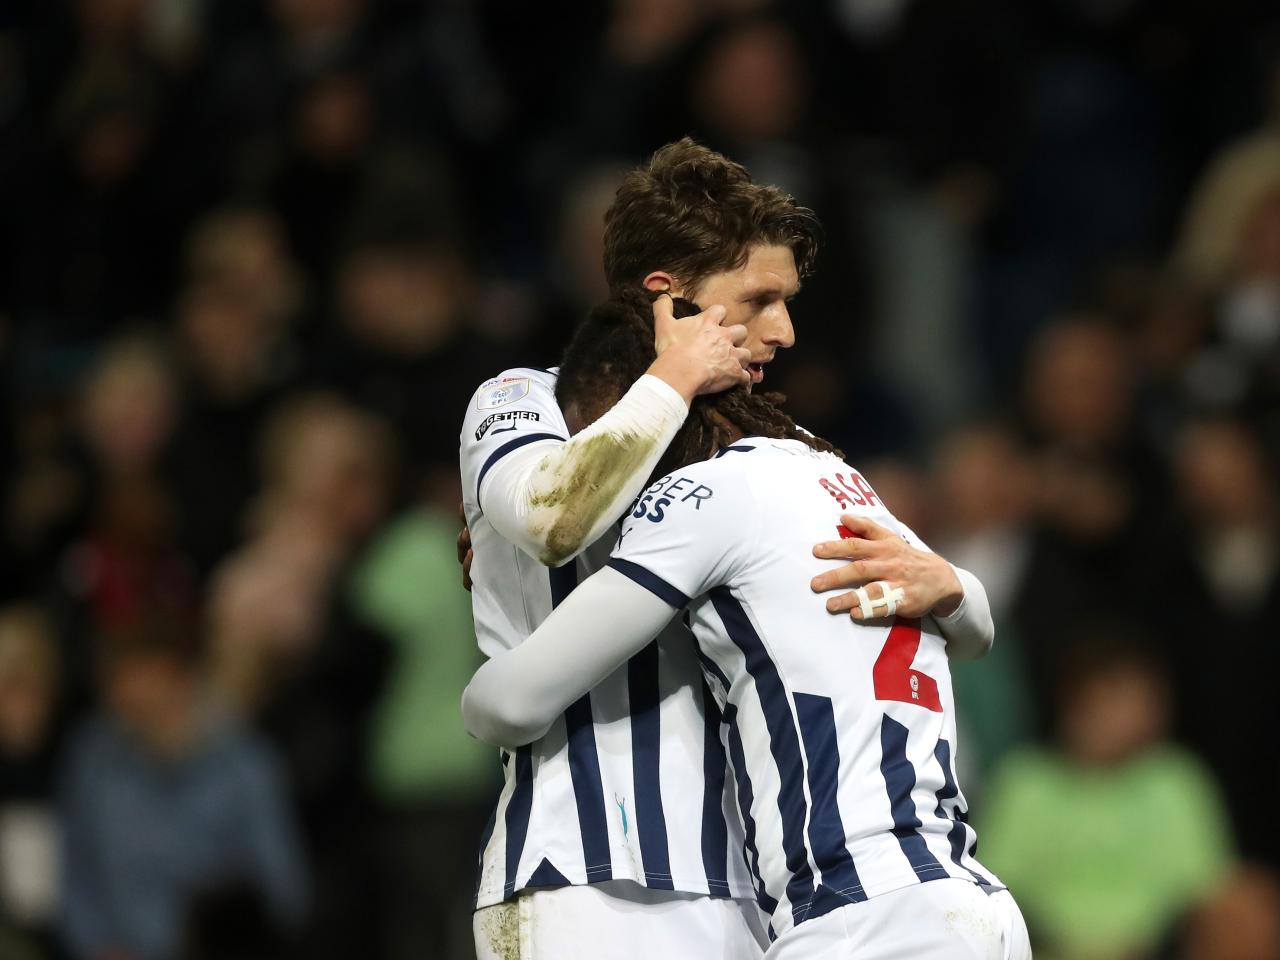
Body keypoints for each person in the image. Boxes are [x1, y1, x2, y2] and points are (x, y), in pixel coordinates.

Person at [459, 139, 995, 958]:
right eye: (758, 299)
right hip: (586, 869)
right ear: (666, 295)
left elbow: (960, 612)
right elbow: (549, 516)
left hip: (756, 896)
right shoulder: (523, 397)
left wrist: (950, 582)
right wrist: (671, 380)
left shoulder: (763, 448)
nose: (782, 330)